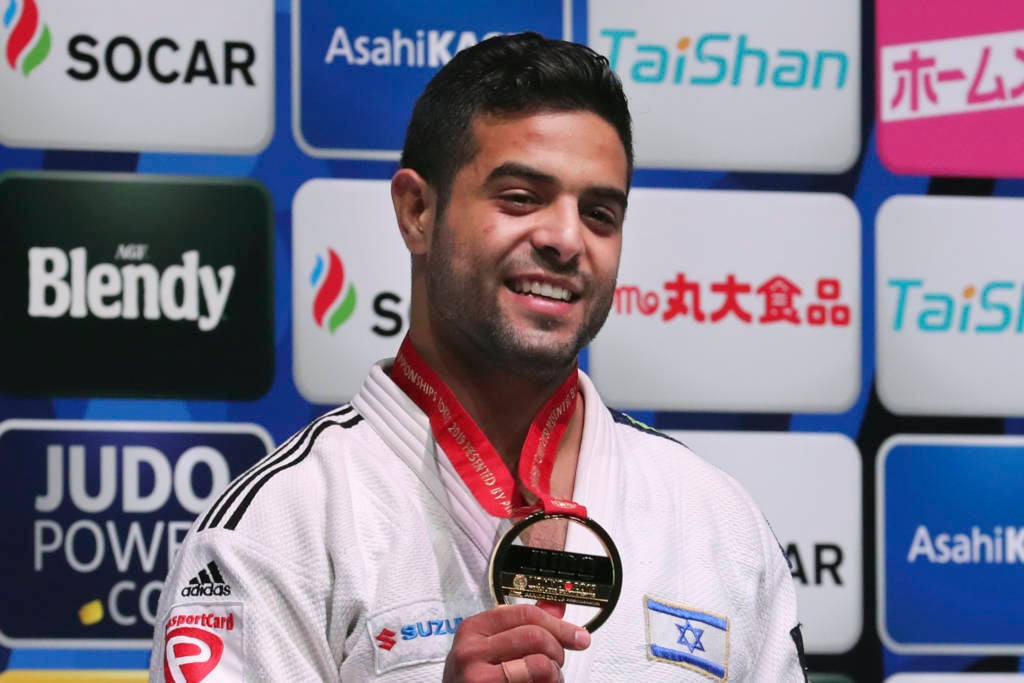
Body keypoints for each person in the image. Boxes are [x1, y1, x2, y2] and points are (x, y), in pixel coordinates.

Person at [150, 32, 808, 682]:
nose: (565, 238)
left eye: (601, 212)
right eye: (521, 197)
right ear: (417, 210)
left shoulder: (717, 520)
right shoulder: (280, 525)